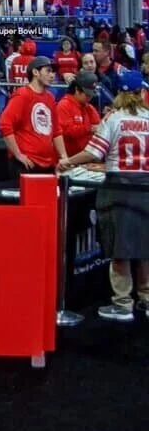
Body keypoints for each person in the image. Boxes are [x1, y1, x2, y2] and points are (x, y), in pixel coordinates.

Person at [58, 71, 149, 322]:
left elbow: (93, 152)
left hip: (119, 187)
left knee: (119, 246)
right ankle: (147, 298)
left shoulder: (114, 119)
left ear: (119, 93)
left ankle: (123, 303)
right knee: (145, 246)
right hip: (145, 187)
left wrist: (68, 161)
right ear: (141, 92)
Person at [0, 56, 68, 178]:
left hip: (48, 164)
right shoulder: (22, 95)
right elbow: (5, 124)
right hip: (27, 164)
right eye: (48, 71)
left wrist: (64, 157)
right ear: (35, 72)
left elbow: (56, 131)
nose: (52, 75)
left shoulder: (50, 98)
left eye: (53, 72)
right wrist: (18, 154)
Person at [56, 71, 102, 157]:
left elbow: (99, 127)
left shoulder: (90, 108)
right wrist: (89, 128)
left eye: (91, 95)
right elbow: (66, 132)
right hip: (68, 158)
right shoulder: (64, 105)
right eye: (87, 95)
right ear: (77, 90)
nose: (90, 98)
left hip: (85, 158)